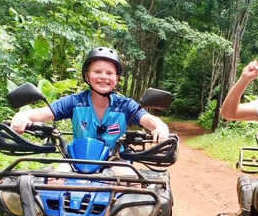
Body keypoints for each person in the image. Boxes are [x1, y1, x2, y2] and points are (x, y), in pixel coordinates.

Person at [11, 47, 169, 147]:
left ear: (117, 79)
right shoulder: (74, 102)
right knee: (52, 183)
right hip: (77, 161)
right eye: (97, 72)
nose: (103, 77)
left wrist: (160, 127)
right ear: (87, 76)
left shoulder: (125, 105)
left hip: (117, 160)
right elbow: (42, 114)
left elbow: (148, 120)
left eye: (109, 73)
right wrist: (22, 115)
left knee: (135, 188)